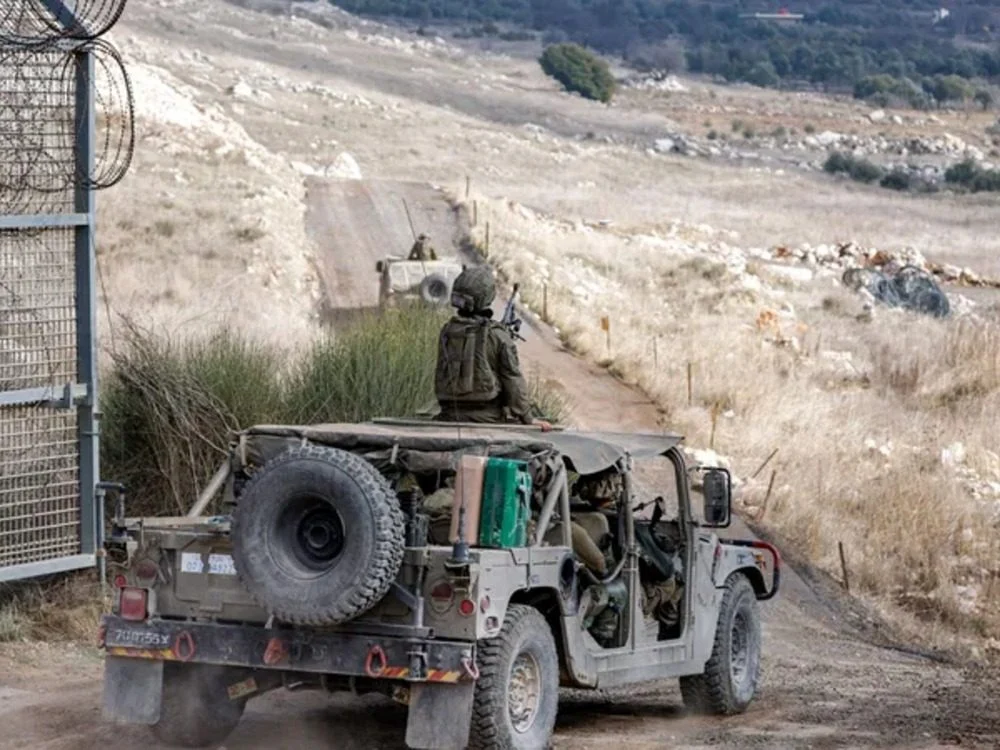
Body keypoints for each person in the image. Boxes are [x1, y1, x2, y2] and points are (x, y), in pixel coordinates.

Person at [435, 265, 551, 431]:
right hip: (487, 419)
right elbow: (512, 378)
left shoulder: (447, 331)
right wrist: (528, 417)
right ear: (487, 298)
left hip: (449, 416)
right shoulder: (497, 335)